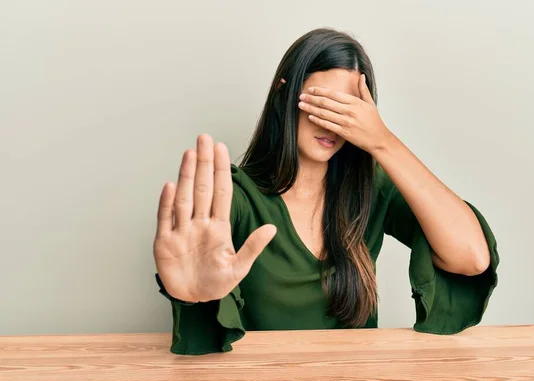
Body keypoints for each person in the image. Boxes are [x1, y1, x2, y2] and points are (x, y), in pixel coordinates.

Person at [153, 28, 499, 355]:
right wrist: (193, 297)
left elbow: (471, 258)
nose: (331, 123)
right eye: (322, 103)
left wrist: (384, 143)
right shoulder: (237, 196)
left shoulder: (371, 190)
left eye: (347, 111)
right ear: (283, 94)